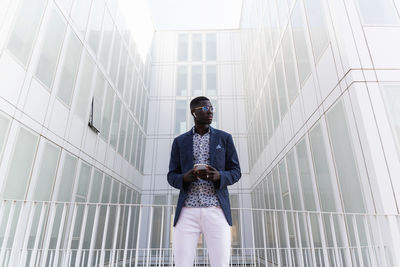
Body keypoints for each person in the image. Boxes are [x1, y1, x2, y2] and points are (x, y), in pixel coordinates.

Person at [167, 96, 241, 267]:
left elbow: (236, 172)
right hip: (187, 211)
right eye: (206, 109)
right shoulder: (179, 142)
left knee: (221, 263)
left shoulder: (224, 138)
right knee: (181, 263)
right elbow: (171, 176)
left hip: (216, 209)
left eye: (212, 108)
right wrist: (184, 178)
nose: (211, 112)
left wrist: (220, 176)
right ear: (194, 113)